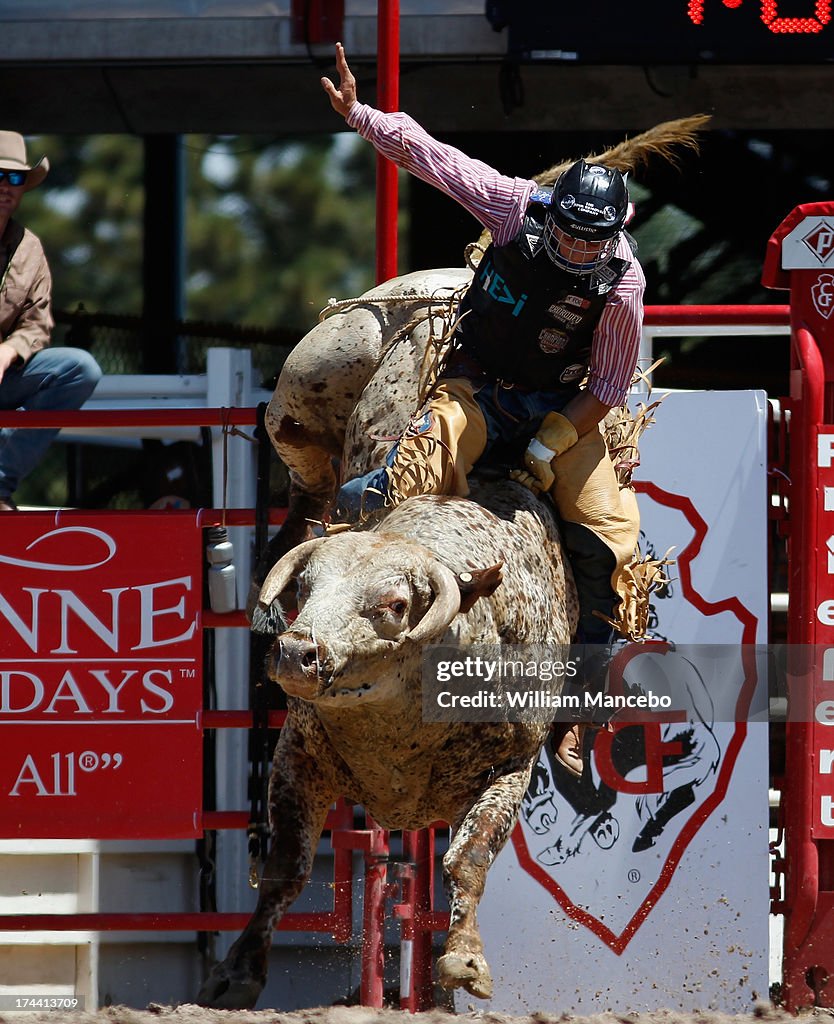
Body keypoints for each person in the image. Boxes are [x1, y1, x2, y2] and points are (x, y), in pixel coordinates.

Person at [321, 45, 644, 778]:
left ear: (614, 234)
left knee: (613, 541)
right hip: (478, 388)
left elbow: (612, 382)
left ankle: (581, 710)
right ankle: (331, 603)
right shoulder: (512, 207)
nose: (573, 245)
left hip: (565, 411)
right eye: (566, 230)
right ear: (553, 213)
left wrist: (548, 445)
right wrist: (360, 114)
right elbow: (432, 156)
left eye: (591, 238)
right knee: (407, 467)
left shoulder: (623, 283)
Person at [0, 131, 101, 510]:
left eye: (14, 178)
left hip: (4, 375)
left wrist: (8, 351)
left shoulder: (29, 248)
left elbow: (37, 324)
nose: (6, 186)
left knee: (79, 369)